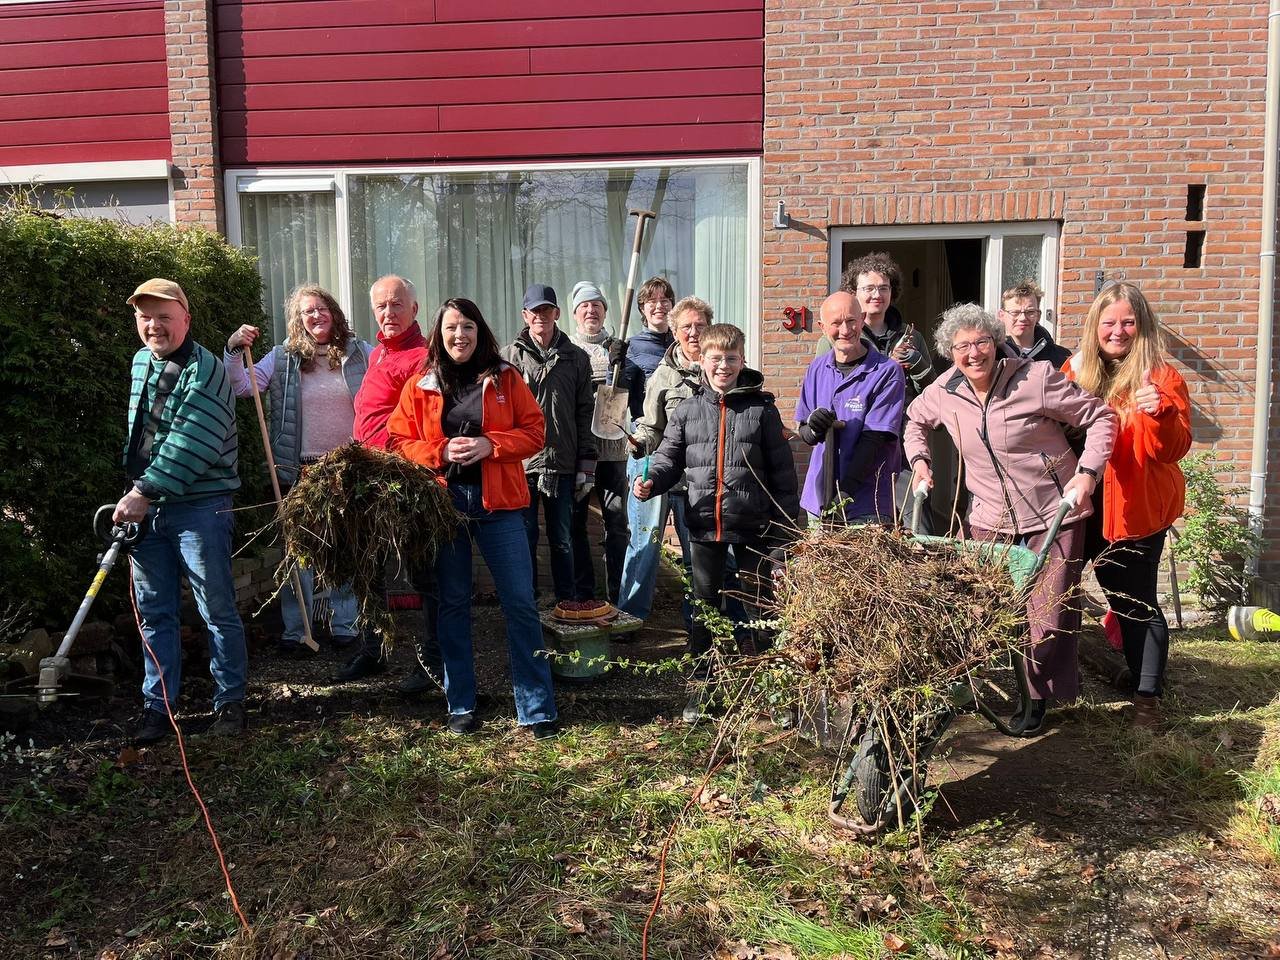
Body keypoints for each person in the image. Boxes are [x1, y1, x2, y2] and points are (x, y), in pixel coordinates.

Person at [904, 303, 1117, 736]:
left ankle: (1037, 698)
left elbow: (1100, 417)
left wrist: (1087, 474)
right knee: (987, 610)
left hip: (1052, 513)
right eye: (962, 346)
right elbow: (914, 421)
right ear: (950, 352)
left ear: (996, 342)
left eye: (981, 342)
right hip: (989, 518)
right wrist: (921, 462)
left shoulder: (1034, 378)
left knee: (1047, 613)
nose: (973, 353)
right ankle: (977, 688)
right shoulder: (945, 390)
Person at [387, 298, 559, 740]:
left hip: (500, 505)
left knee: (520, 603)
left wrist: (491, 445)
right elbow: (398, 441)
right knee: (453, 604)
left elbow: (535, 432)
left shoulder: (505, 378)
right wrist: (439, 452)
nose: (459, 336)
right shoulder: (420, 384)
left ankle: (536, 706)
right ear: (438, 335)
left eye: (467, 327)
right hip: (445, 506)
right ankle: (460, 701)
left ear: (479, 332)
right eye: (450, 329)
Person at [633, 323, 799, 723]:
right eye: (715, 358)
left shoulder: (761, 410)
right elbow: (670, 458)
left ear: (742, 360)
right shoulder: (689, 409)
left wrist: (784, 534)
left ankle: (774, 695)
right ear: (701, 360)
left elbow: (783, 476)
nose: (723, 365)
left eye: (731, 358)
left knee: (762, 610)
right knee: (705, 610)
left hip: (754, 526)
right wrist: (652, 481)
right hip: (705, 525)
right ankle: (703, 692)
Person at [115, 279, 248, 744]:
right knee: (154, 611)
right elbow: (143, 437)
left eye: (164, 317)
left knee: (216, 608)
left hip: (199, 508)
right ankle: (159, 708)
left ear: (185, 319)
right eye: (145, 317)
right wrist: (137, 490)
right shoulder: (140, 363)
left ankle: (230, 702)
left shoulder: (206, 368)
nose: (154, 326)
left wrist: (144, 490)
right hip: (146, 505)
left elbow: (193, 440)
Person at [1064, 282, 1192, 728]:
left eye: (1128, 322)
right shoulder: (1075, 371)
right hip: (1083, 507)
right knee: (1054, 592)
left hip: (1136, 510)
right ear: (1094, 327)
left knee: (1134, 601)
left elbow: (1174, 450)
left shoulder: (1162, 378)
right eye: (1109, 322)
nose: (1117, 331)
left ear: (1142, 327)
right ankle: (1054, 686)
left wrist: (1161, 413)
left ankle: (1146, 698)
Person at [224, 285, 372, 657]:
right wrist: (232, 350)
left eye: (322, 309)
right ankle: (297, 630)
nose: (316, 316)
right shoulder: (282, 358)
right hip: (298, 469)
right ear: (298, 319)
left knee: (344, 549)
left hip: (346, 468)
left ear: (335, 313)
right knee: (299, 554)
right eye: (307, 311)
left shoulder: (360, 354)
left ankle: (344, 626)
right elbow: (242, 386)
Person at [347, 275, 441, 692]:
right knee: (366, 566)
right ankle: (373, 649)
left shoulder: (423, 359)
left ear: (415, 310)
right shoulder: (378, 356)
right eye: (382, 306)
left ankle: (432, 661)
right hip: (369, 475)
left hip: (404, 478)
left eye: (397, 305)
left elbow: (424, 424)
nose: (388, 313)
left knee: (423, 571)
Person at [618, 296, 713, 628]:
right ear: (674, 331)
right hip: (661, 474)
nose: (693, 332)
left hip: (701, 483)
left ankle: (700, 625)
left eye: (700, 325)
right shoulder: (663, 375)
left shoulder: (719, 371)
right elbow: (650, 424)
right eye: (686, 326)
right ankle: (629, 618)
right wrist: (638, 441)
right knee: (644, 544)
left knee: (698, 557)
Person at [502, 283, 597, 607]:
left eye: (546, 310)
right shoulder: (508, 358)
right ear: (525, 315)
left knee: (563, 539)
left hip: (562, 461)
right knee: (524, 538)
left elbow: (586, 413)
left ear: (556, 314)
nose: (540, 316)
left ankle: (566, 601)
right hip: (522, 463)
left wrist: (587, 465)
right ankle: (526, 602)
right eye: (534, 311)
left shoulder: (576, 358)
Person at [795, 291, 907, 523]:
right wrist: (814, 427)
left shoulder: (886, 372)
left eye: (851, 321)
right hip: (818, 500)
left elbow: (874, 439)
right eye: (836, 323)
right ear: (822, 327)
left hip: (866, 502)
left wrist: (845, 492)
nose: (845, 330)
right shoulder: (817, 369)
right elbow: (805, 432)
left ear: (862, 318)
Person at [568, 280, 633, 603]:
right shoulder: (566, 348)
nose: (590, 310)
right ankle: (584, 594)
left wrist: (622, 363)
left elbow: (631, 388)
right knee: (575, 524)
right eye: (584, 306)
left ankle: (617, 595)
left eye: (596, 305)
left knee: (617, 522)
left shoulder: (619, 348)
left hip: (613, 451)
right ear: (575, 314)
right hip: (579, 451)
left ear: (605, 311)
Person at [841, 252, 935, 401]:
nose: (877, 295)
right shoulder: (840, 337)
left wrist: (918, 363)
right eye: (869, 288)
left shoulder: (913, 336)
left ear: (892, 291)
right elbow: (826, 388)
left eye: (884, 288)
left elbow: (932, 395)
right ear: (853, 292)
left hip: (902, 422)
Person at [999, 279, 1070, 368]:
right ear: (1001, 315)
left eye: (1030, 312)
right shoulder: (993, 355)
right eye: (1015, 312)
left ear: (1038, 315)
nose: (1023, 318)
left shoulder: (1061, 357)